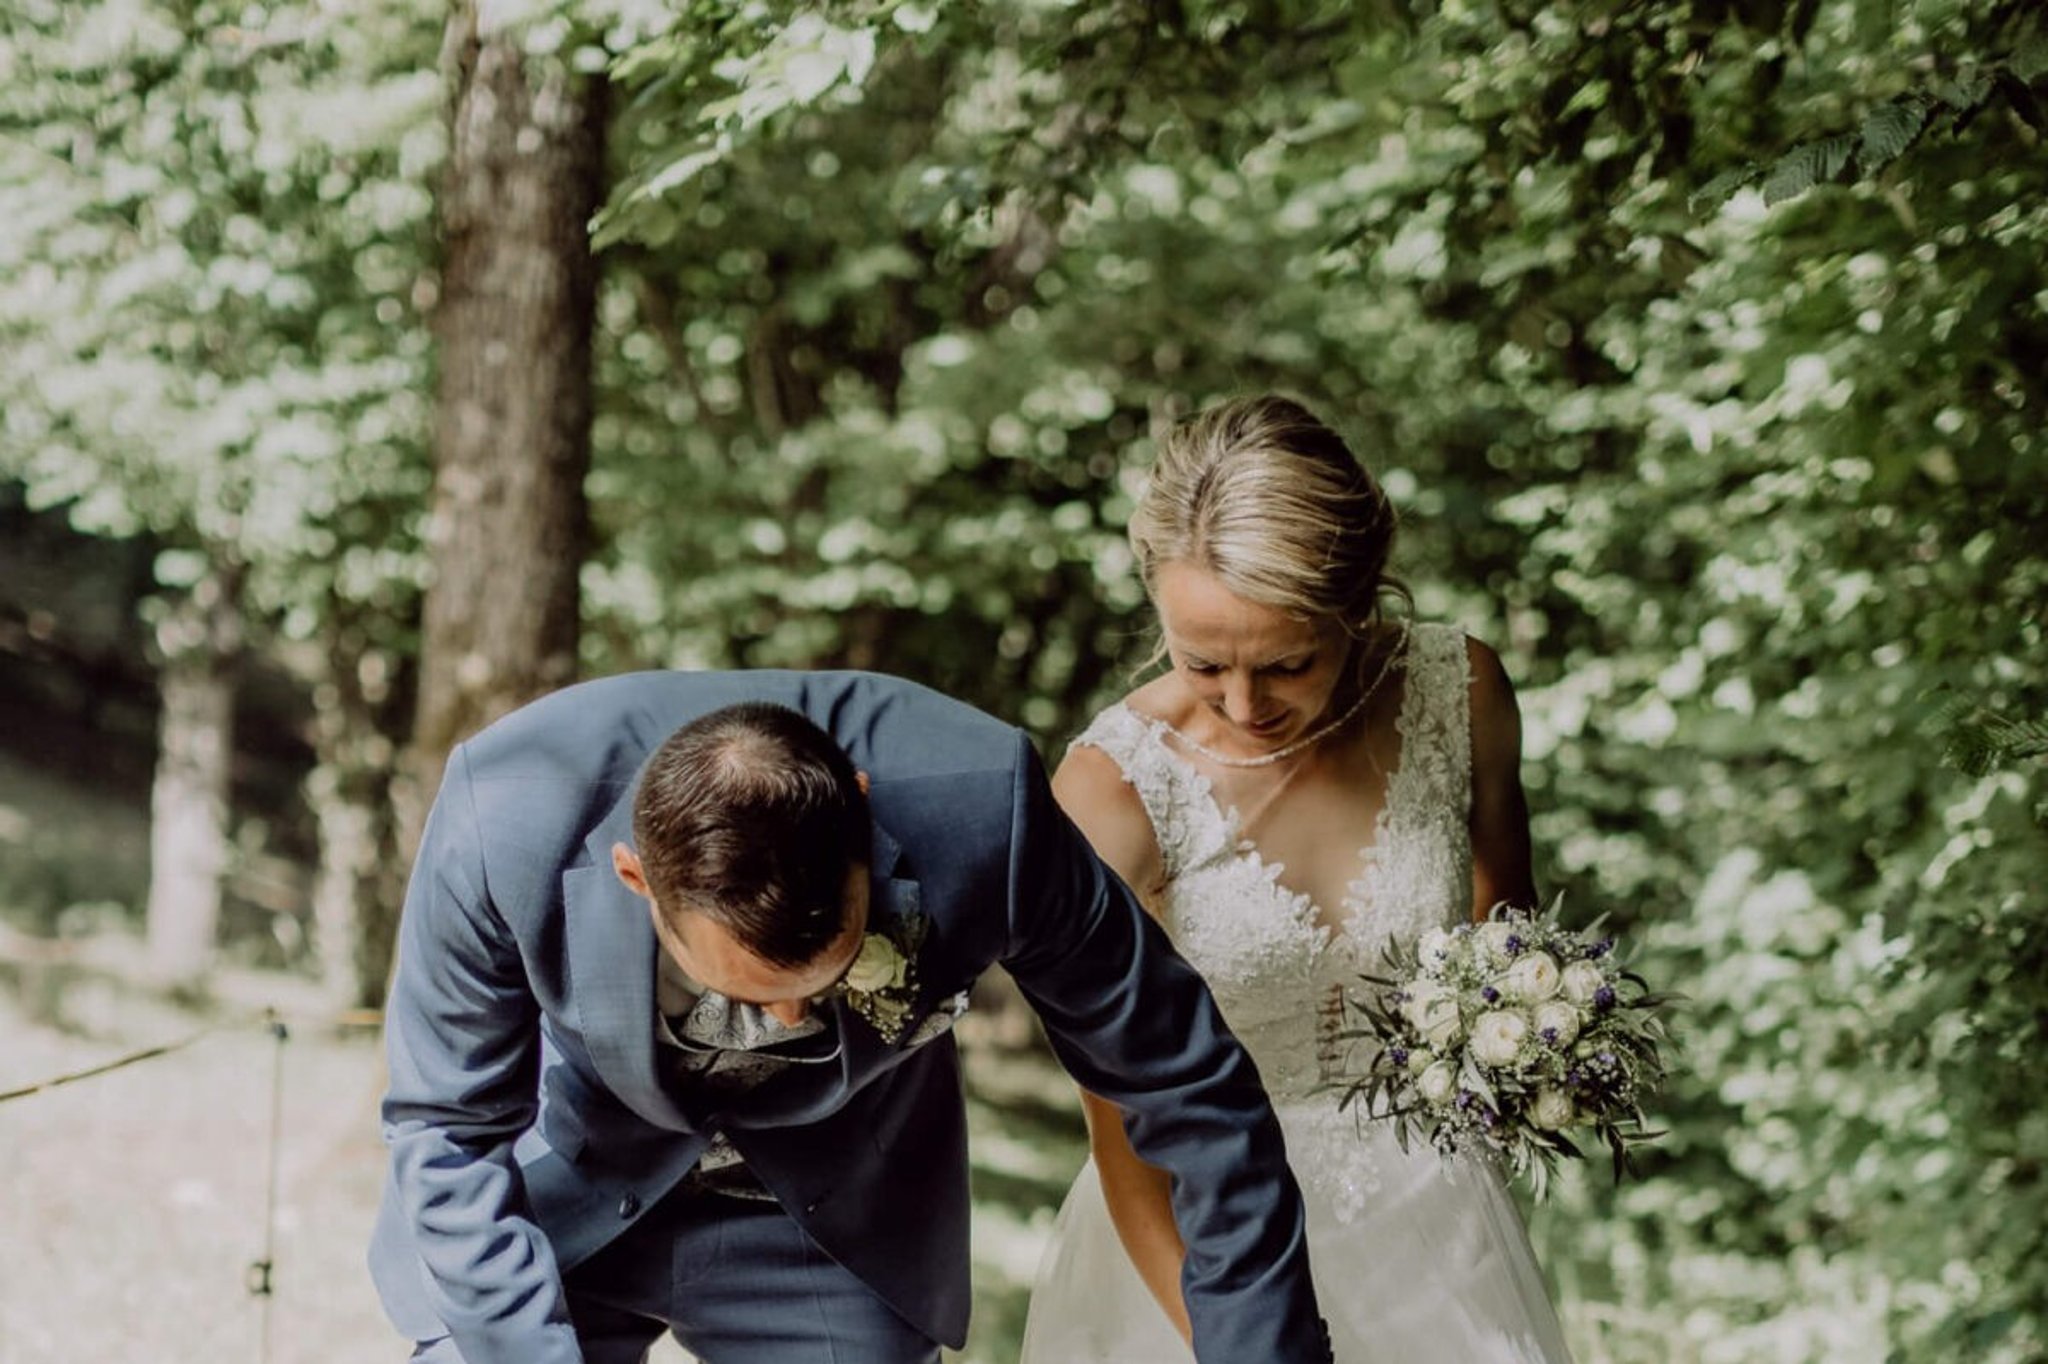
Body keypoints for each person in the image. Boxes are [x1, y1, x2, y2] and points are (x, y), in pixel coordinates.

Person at [367, 671, 1334, 1364]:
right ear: (635, 878)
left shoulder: (986, 810)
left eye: (825, 979)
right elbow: (447, 1129)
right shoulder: (508, 813)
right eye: (753, 993)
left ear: (863, 819)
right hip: (562, 1197)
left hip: (830, 1222)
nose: (788, 1019)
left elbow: (1189, 1087)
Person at [1020, 395, 1575, 1362]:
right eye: (1204, 664)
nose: (1245, 704)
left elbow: (1509, 930)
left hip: (1438, 1228)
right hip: (1204, 1244)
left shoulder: (1462, 692)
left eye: (1287, 663)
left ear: (1355, 606)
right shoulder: (1111, 792)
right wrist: (1235, 1342)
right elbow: (1121, 1131)